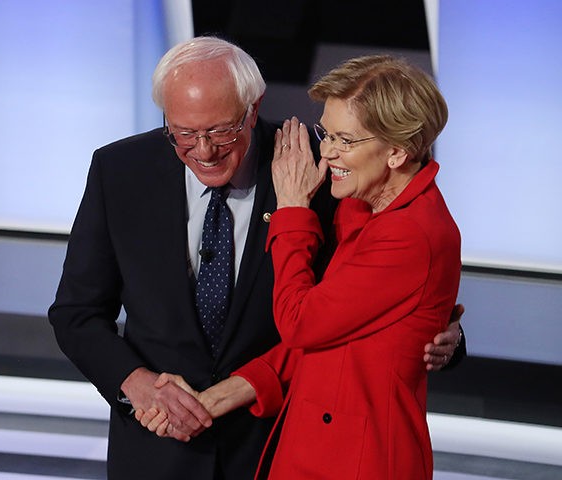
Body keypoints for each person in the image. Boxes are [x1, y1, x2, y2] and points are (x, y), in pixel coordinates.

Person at [48, 37, 464, 480]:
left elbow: (364, 294)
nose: (204, 150)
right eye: (184, 133)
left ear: (253, 106)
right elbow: (76, 312)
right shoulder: (121, 170)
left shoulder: (320, 173)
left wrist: (440, 332)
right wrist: (135, 384)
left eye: (221, 130)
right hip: (157, 449)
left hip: (272, 446)